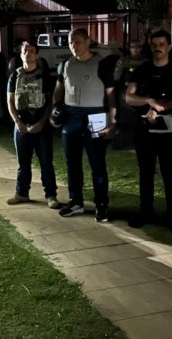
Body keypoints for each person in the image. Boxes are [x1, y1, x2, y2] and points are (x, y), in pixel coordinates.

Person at [52, 28, 118, 222]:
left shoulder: (103, 64)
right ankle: (76, 202)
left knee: (97, 163)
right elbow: (58, 90)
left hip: (96, 115)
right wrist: (54, 112)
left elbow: (111, 95)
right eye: (71, 42)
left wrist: (113, 121)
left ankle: (101, 205)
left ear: (88, 41)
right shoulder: (64, 65)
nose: (74, 45)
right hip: (72, 116)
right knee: (72, 163)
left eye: (78, 41)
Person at [126, 30, 172, 228]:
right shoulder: (142, 70)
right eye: (154, 45)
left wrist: (161, 107)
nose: (158, 48)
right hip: (144, 129)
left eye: (162, 44)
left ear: (169, 46)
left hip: (169, 129)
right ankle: (146, 212)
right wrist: (149, 101)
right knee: (145, 172)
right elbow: (128, 97)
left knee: (169, 171)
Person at [5, 38, 60, 209]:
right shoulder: (15, 76)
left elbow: (50, 102)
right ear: (20, 55)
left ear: (37, 55)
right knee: (23, 163)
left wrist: (42, 123)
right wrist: (18, 123)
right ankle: (22, 194)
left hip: (41, 127)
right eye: (24, 51)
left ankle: (51, 195)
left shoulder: (45, 76)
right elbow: (10, 102)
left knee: (46, 162)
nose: (27, 53)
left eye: (31, 51)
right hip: (21, 127)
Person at [112, 37, 147, 150]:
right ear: (129, 48)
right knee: (126, 118)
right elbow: (116, 77)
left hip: (141, 93)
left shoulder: (146, 61)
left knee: (140, 119)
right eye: (133, 47)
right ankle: (126, 142)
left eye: (138, 47)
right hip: (125, 92)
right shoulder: (123, 61)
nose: (136, 50)